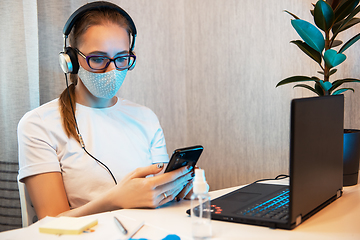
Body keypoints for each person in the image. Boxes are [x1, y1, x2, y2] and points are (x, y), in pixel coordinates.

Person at [17, 1, 194, 220]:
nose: (112, 70)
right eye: (98, 59)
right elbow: (50, 221)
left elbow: (156, 195)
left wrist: (177, 189)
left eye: (121, 58)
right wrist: (115, 199)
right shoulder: (38, 124)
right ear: (70, 61)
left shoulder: (145, 117)